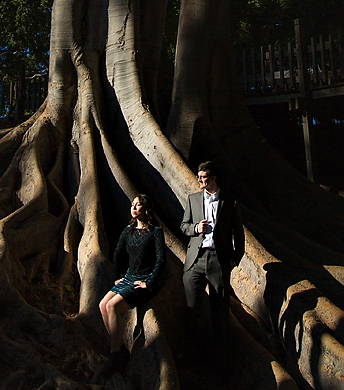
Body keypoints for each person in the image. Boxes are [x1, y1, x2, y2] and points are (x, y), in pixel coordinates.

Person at [181, 160, 245, 353]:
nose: (200, 180)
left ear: (213, 178)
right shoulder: (193, 199)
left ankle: (219, 353)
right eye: (199, 177)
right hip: (195, 260)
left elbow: (238, 232)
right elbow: (184, 226)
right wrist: (195, 228)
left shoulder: (229, 201)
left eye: (204, 177)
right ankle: (191, 350)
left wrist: (235, 259)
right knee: (191, 309)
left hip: (219, 261)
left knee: (220, 311)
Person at [98, 194, 165, 374]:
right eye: (132, 204)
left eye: (138, 205)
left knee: (112, 306)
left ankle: (115, 356)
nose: (133, 207)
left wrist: (149, 282)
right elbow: (117, 253)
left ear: (146, 210)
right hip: (127, 277)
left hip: (141, 280)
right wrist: (117, 275)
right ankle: (118, 348)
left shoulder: (155, 232)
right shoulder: (128, 231)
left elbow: (161, 260)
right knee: (102, 305)